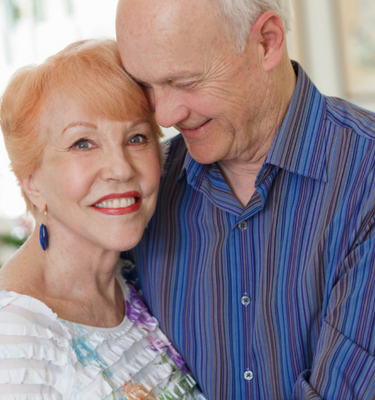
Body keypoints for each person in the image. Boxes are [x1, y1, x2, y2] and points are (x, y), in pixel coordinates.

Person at [116, 0, 375, 399]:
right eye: (146, 86)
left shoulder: (366, 176)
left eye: (184, 81)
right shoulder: (144, 184)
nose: (164, 116)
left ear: (267, 42)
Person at [0, 39, 205, 400]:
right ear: (31, 181)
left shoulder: (131, 281)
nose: (119, 169)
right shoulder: (12, 340)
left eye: (137, 137)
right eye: (83, 143)